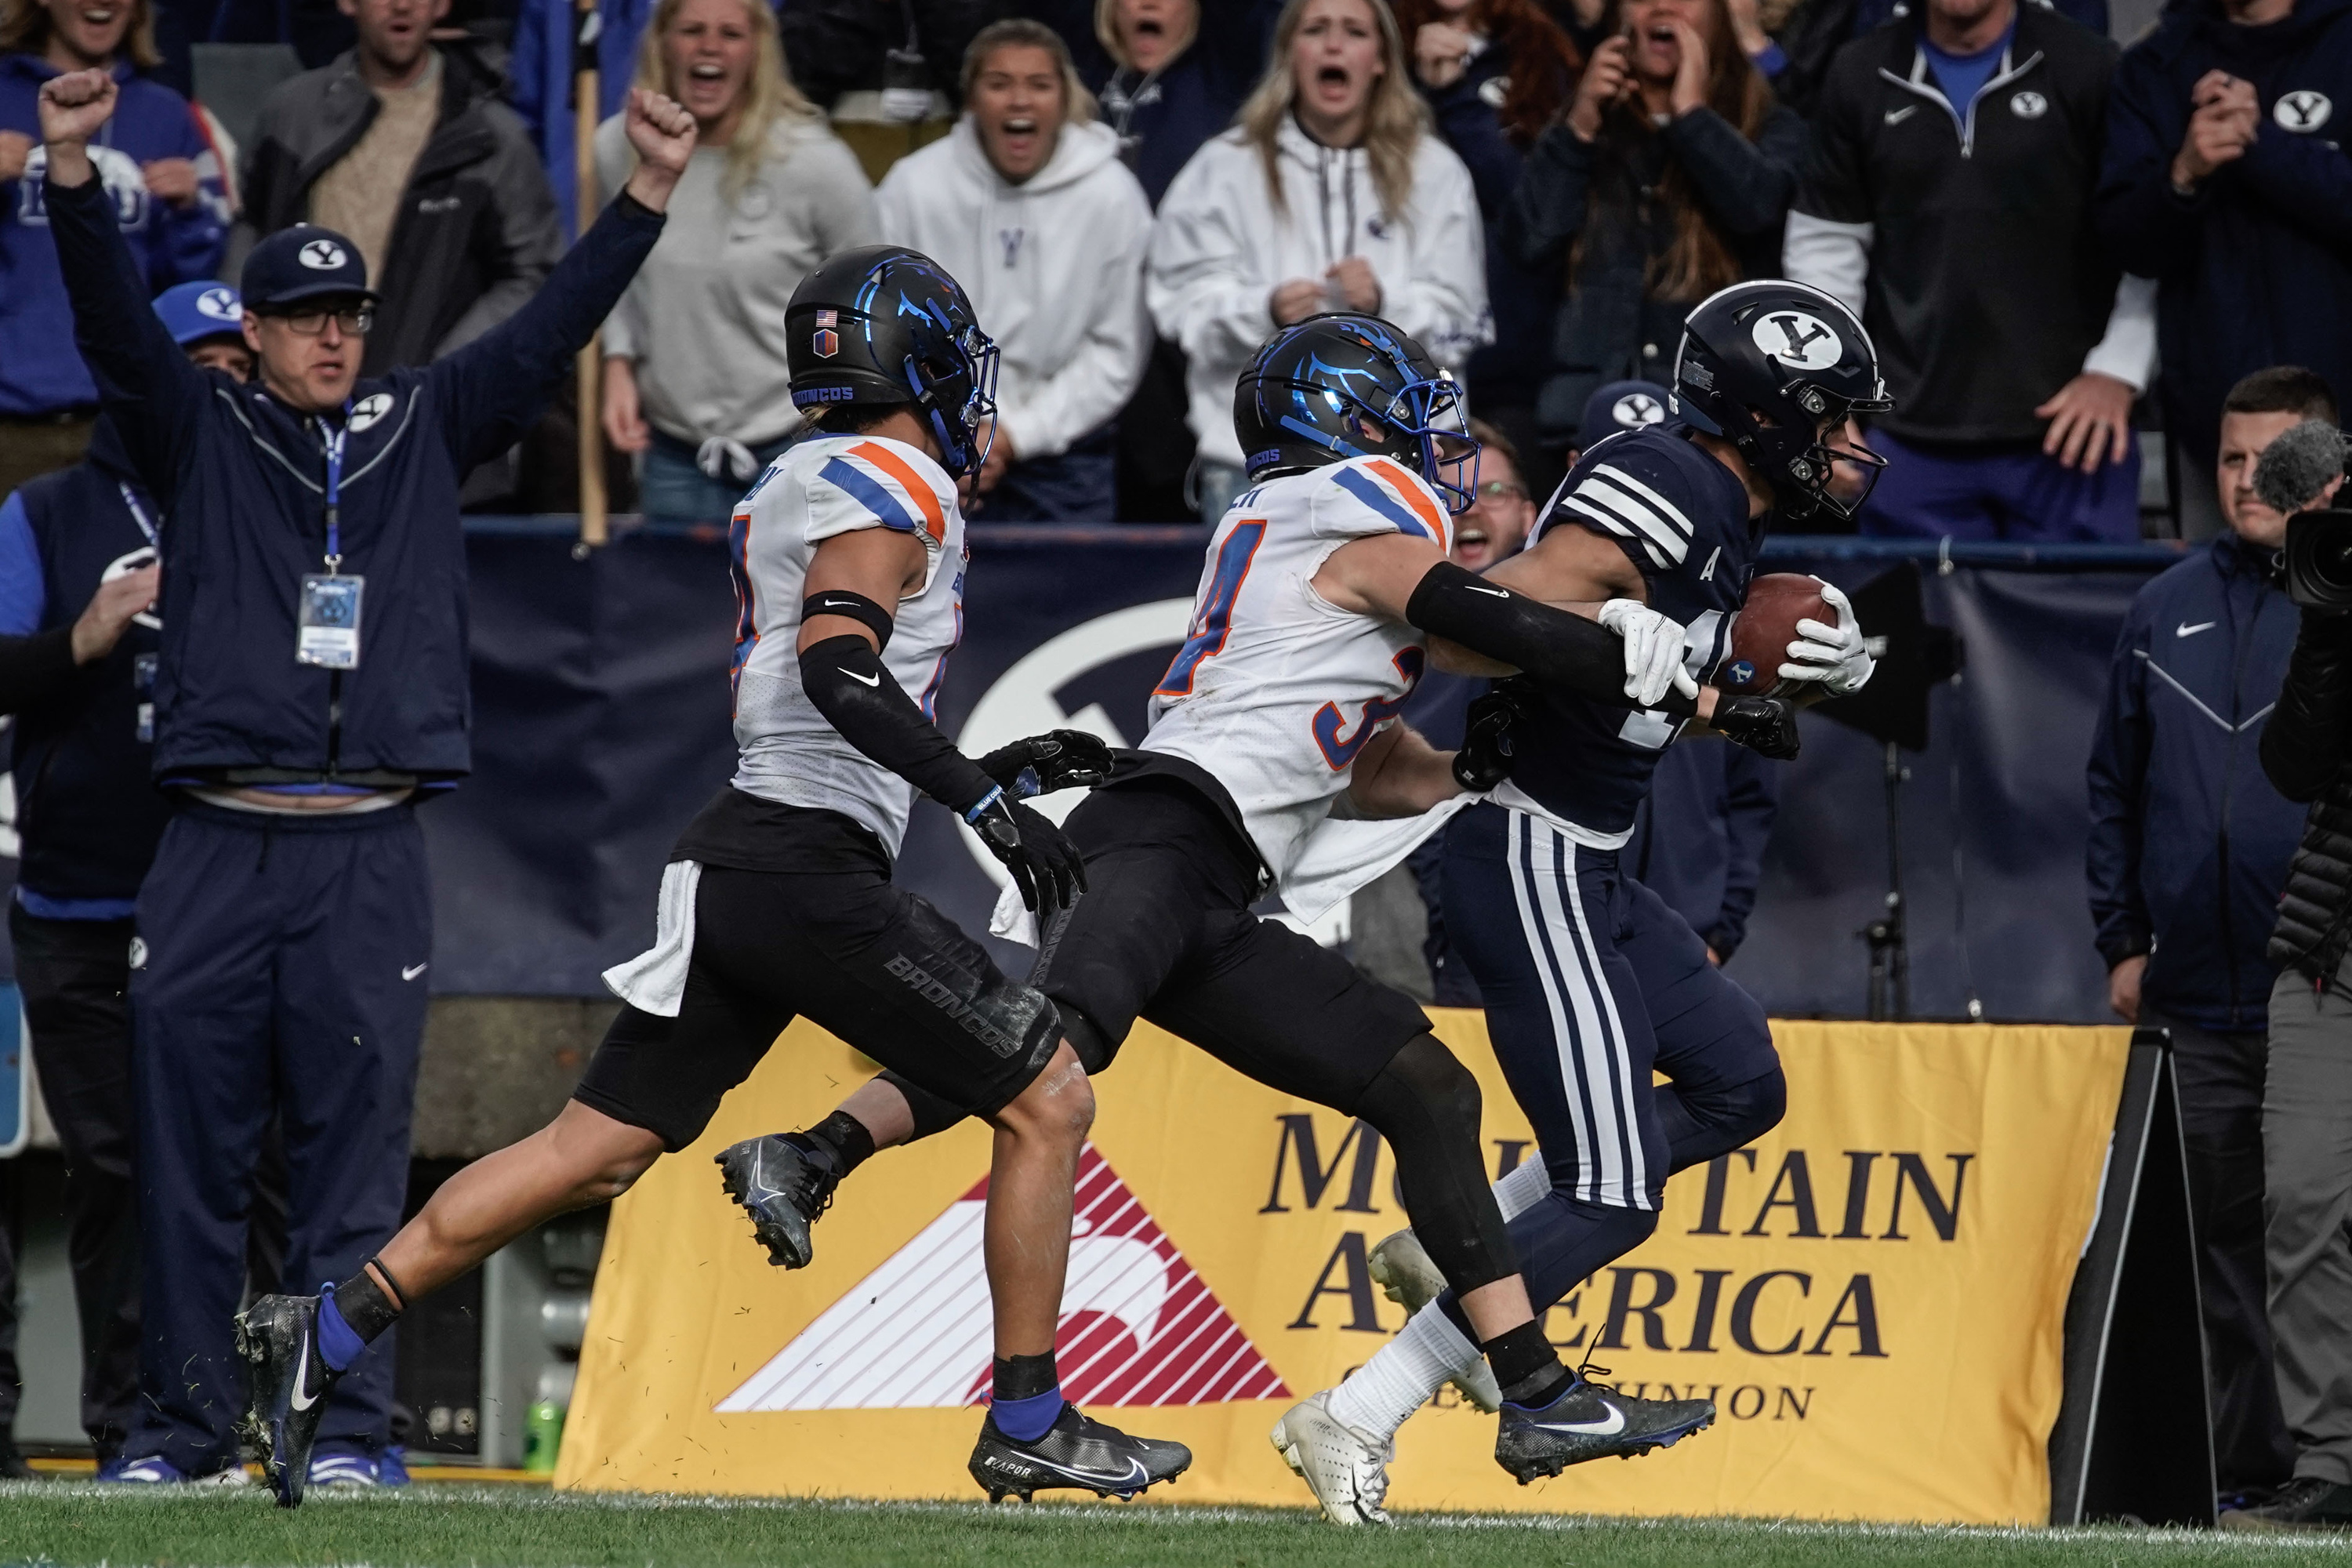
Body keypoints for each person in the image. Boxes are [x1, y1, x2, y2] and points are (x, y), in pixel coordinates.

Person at [714, 313, 1808, 1501]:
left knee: (1423, 1088)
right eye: (1408, 415)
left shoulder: (1328, 531)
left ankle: (1537, 1398)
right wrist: (1659, 670)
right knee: (1050, 1043)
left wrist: (1472, 771)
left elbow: (1368, 759)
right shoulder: (1348, 503)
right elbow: (1480, 617)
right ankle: (816, 1156)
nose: (1433, 447)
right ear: (1349, 419)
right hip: (1165, 831)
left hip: (1220, 879)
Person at [238, 244, 1195, 1511]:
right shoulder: (892, 478)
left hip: (741, 851)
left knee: (594, 1148)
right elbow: (839, 671)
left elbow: (844, 698)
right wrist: (977, 795)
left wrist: (982, 766)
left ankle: (329, 1328)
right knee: (1049, 1098)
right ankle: (1028, 1418)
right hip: (801, 869)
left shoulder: (803, 472)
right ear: (924, 357)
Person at [33, 63, 697, 1492]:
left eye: (350, 316)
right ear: (254, 332)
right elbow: (107, 327)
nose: (335, 339)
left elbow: (548, 331)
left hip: (368, 847)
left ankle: (345, 1434)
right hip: (215, 841)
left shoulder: (421, 424)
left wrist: (645, 193)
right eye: (307, 319)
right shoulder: (199, 430)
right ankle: (185, 1433)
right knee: (188, 1157)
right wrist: (75, 177)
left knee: (353, 1161)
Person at [1274, 280, 1882, 1526]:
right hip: (1531, 856)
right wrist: (1600, 620)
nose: (1857, 450)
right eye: (1834, 423)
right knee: (1610, 1192)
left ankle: (1467, 1239)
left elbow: (1672, 676)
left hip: (1592, 863)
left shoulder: (1727, 508)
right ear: (1766, 419)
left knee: (1738, 1084)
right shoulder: (1667, 478)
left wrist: (1810, 669)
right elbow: (1468, 629)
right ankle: (1357, 1409)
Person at [0, 281, 249, 1483]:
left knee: (241, 1166)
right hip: (79, 905)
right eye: (191, 362)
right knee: (113, 1169)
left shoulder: (279, 506)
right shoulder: (46, 512)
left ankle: (245, 1417)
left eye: (233, 367)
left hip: (229, 899)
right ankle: (126, 1427)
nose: (217, 386)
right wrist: (84, 640)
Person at [2087, 365, 2331, 1515]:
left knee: (2313, 1222)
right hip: (2189, 985)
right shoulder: (2161, 607)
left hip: (2320, 977)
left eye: (2272, 461)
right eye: (2231, 459)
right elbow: (2111, 791)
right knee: (2213, 1251)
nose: (2246, 482)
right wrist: (2121, 941)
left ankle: (2326, 1459)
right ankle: (2249, 1475)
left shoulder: (2340, 599)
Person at [1784, 0, 2154, 543]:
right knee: (1915, 628)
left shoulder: (2089, 66)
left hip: (2073, 437)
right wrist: (1827, 397)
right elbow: (1826, 245)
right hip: (1907, 438)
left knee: (2081, 627)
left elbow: (2144, 229)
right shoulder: (1859, 72)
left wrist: (2119, 369)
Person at [1149, 0, 1490, 521]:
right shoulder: (1223, 167)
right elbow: (1178, 310)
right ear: (1290, 53)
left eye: (1354, 31)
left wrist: (1384, 304)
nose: (1334, 45)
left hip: (1399, 463)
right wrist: (1262, 311)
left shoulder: (1436, 172)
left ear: (1380, 59)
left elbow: (1465, 326)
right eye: (1316, 30)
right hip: (1252, 462)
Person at [597, 0, 879, 526]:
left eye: (730, 33)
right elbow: (609, 271)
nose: (710, 46)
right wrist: (618, 360)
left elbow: (874, 300)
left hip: (796, 453)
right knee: (676, 610)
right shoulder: (621, 148)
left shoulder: (815, 163)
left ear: (758, 50)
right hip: (671, 453)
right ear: (661, 43)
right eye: (692, 30)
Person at [1501, 0, 1805, 470]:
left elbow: (1759, 214)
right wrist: (1578, 126)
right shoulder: (1584, 120)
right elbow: (1529, 243)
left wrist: (1691, 115)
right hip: (1581, 421)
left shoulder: (1771, 119)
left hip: (1715, 429)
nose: (1663, 6)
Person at [2096, 0, 2352, 542]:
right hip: (2216, 433)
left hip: (2344, 421)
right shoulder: (2157, 64)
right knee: (2223, 610)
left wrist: (2264, 145)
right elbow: (2127, 245)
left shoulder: (2343, 43)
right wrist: (2184, 175)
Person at [877, 20, 1153, 521]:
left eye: (1039, 85)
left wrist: (1013, 434)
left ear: (1064, 100)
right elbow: (886, 330)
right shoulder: (912, 188)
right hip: (933, 449)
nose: (1019, 100)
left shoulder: (1113, 197)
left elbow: (1116, 350)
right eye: (999, 83)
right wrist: (948, 432)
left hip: (1067, 463)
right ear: (971, 99)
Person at [2238, 419, 2352, 1533]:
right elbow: (2293, 768)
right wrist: (2327, 626)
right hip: (2335, 946)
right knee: (2305, 1198)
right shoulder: (2336, 597)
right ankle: (2334, 1462)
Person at [232, 0, 562, 378]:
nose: (402, 5)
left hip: (424, 409)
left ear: (442, 5)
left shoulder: (491, 137)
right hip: (295, 396)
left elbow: (532, 275)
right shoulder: (290, 116)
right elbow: (250, 232)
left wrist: (446, 375)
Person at [0, 0, 227, 498]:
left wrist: (190, 212)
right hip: (7, 423)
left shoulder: (170, 115)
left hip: (124, 424)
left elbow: (191, 284)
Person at [1396, 0, 1578, 500]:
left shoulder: (1541, 56)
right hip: (1396, 372)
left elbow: (1534, 211)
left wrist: (1454, 97)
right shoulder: (1372, 44)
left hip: (1514, 370)